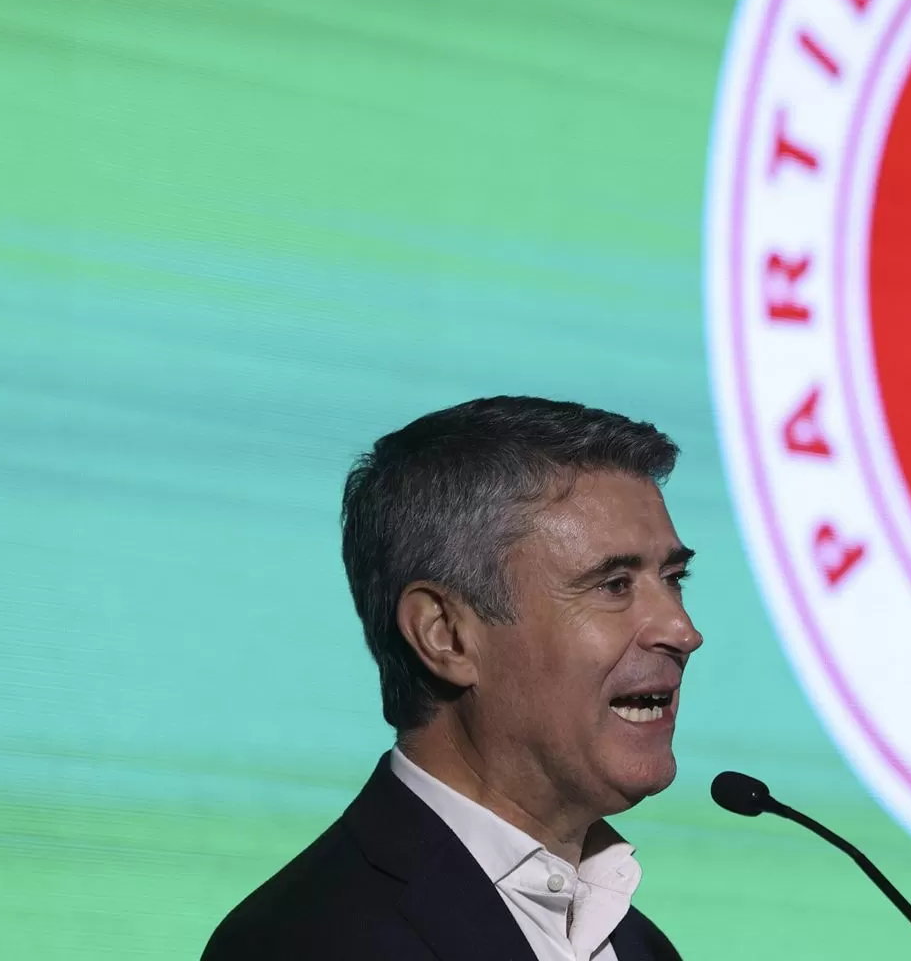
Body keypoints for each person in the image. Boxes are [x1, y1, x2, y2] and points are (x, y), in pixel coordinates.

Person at [204, 396, 703, 960]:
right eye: (614, 586)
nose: (683, 631)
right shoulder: (309, 941)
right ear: (445, 634)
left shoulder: (642, 947)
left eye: (673, 578)